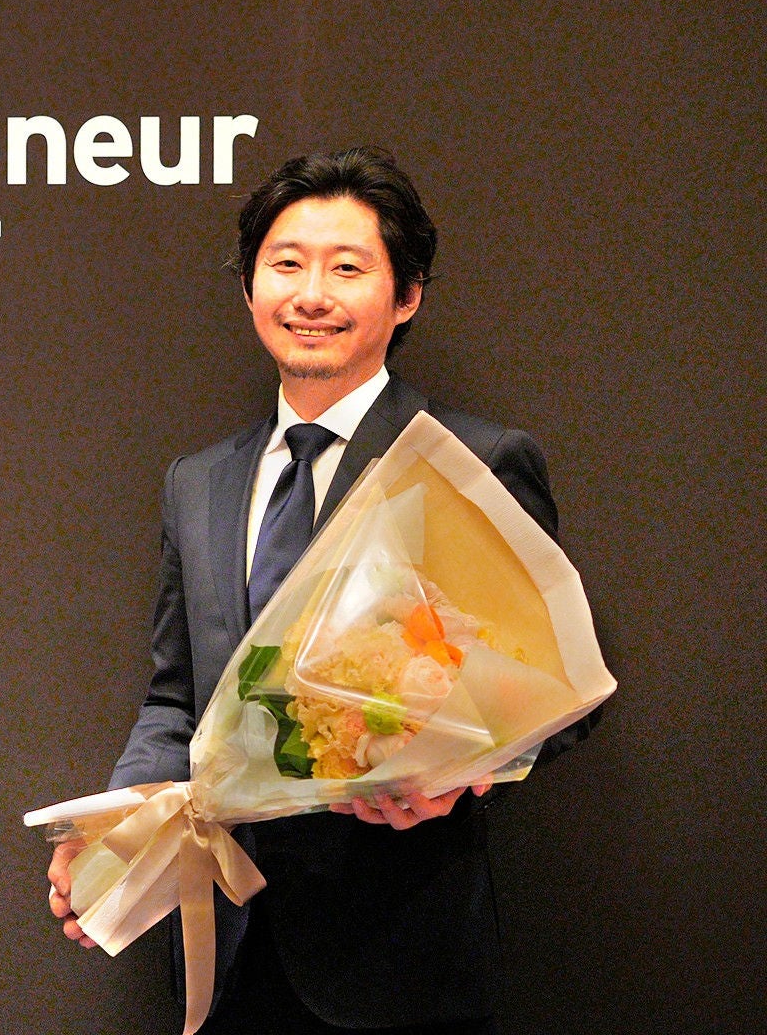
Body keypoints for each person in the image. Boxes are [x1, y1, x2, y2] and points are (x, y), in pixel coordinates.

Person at [46, 148, 597, 1033]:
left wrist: (462, 779)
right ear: (249, 286)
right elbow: (177, 698)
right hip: (229, 945)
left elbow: (558, 694)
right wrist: (116, 833)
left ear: (406, 295)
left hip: (397, 951)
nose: (311, 294)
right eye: (287, 264)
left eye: (347, 268)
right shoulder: (199, 481)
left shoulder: (468, 461)